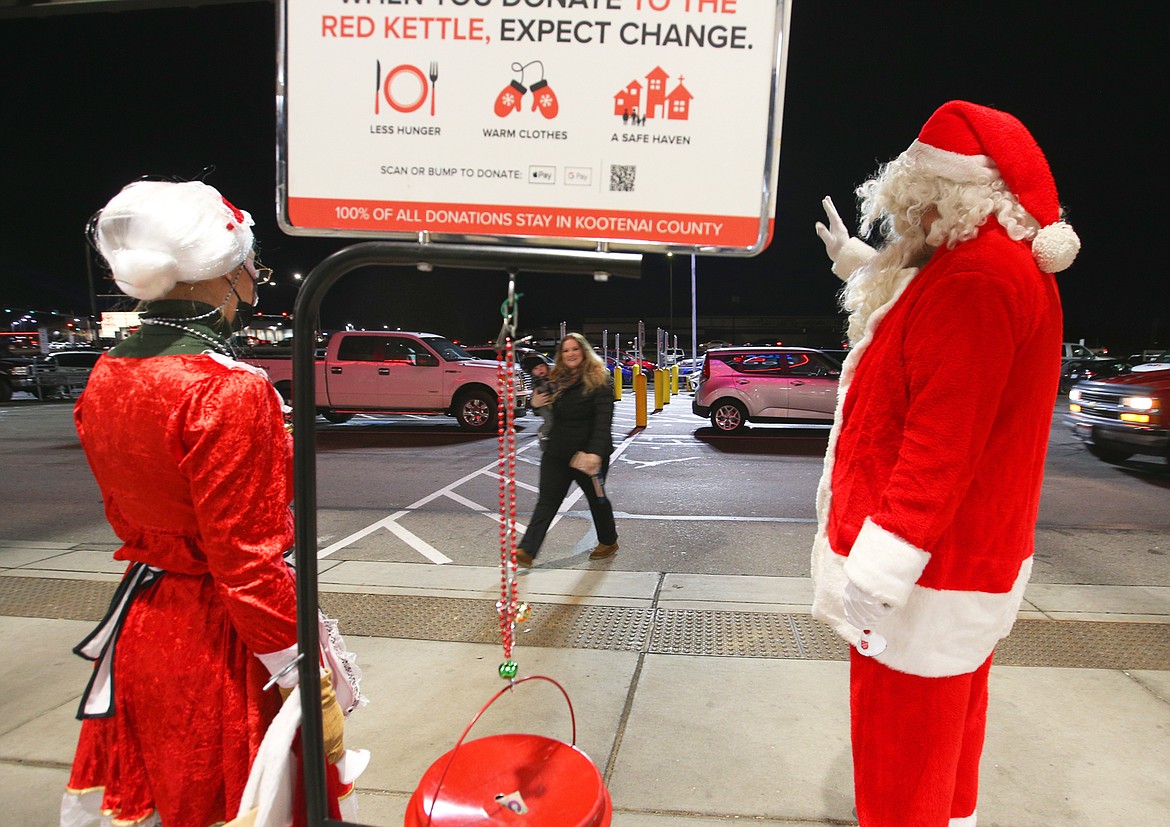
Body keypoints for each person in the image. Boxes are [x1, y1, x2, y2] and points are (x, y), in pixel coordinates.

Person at [809, 101, 1080, 826]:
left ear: (947, 200)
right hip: (966, 566)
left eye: (914, 209)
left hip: (924, 576)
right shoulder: (995, 266)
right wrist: (857, 264)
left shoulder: (974, 283)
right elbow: (925, 312)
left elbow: (940, 441)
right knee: (948, 740)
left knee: (900, 758)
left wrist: (877, 572)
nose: (906, 226)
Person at [61, 180, 363, 827]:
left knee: (166, 799)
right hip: (218, 642)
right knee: (236, 801)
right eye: (251, 260)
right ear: (220, 271)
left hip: (144, 621)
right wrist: (302, 676)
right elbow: (247, 564)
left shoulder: (106, 372)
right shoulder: (229, 390)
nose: (255, 276)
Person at [515, 333, 618, 567]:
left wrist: (595, 454)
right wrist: (535, 405)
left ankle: (609, 540)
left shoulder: (598, 379)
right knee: (548, 500)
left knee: (597, 500)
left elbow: (603, 420)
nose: (570, 354)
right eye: (565, 350)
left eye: (575, 349)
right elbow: (547, 412)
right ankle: (527, 551)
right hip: (557, 451)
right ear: (561, 356)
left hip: (587, 455)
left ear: (583, 351)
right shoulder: (558, 380)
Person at [521, 353, 555, 447]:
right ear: (532, 372)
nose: (540, 370)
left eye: (541, 366)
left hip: (548, 403)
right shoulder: (538, 381)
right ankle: (543, 433)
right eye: (536, 369)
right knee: (550, 420)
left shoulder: (551, 375)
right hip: (543, 405)